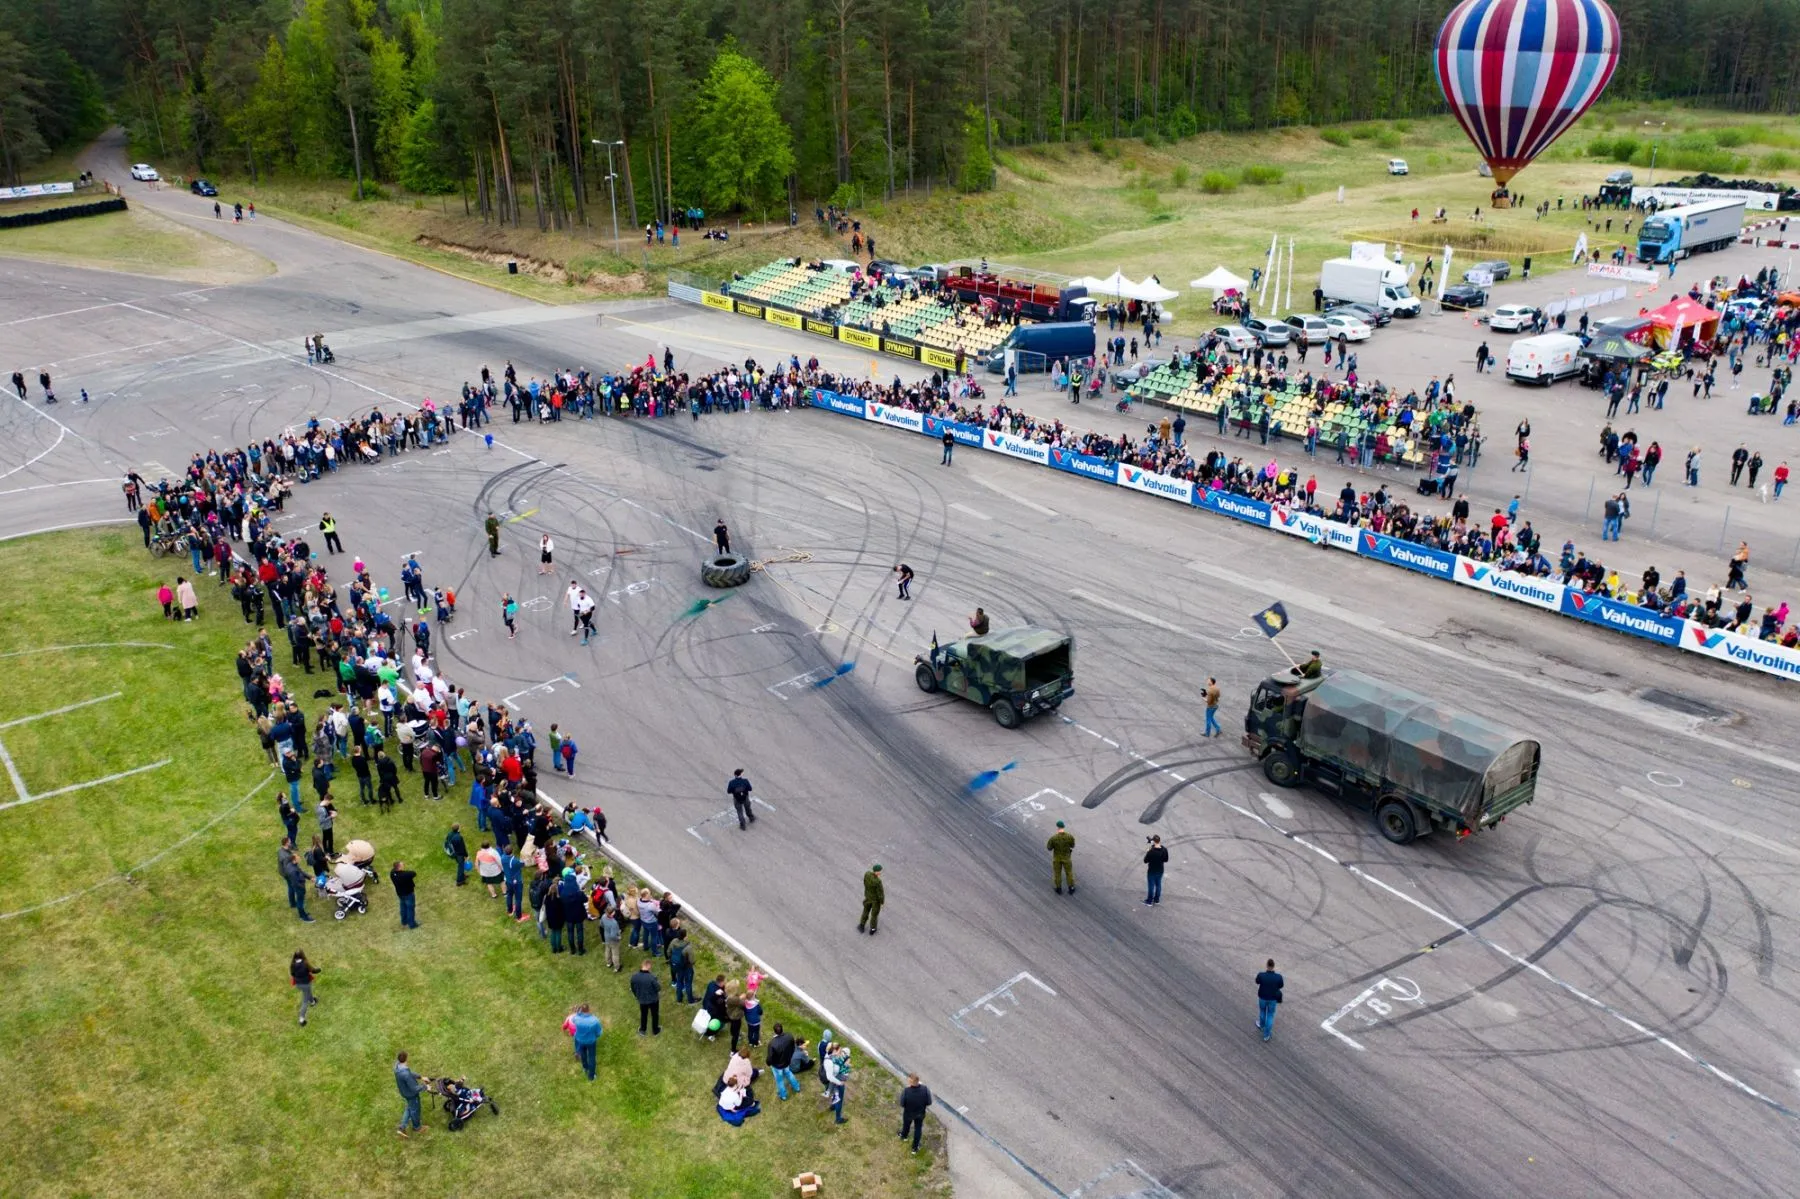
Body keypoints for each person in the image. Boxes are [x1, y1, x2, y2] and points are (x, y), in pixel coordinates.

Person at [899, 1073, 933, 1152]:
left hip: (908, 1113)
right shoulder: (925, 1089)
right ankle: (915, 1148)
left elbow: (902, 1103)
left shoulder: (906, 1091)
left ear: (910, 1082)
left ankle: (904, 1136)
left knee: (906, 1125)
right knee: (918, 1129)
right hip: (920, 1113)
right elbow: (929, 1102)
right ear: (918, 1081)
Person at [766, 1022, 802, 1099]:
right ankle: (797, 1087)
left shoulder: (772, 1044)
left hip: (777, 1066)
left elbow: (769, 1058)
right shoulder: (789, 1036)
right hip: (786, 1062)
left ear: (774, 1031)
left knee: (779, 1080)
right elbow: (793, 1048)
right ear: (782, 1029)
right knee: (789, 1073)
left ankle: (783, 1095)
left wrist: (768, 1063)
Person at [394, 1051, 425, 1138]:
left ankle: (402, 1127)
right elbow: (414, 1088)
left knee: (409, 1108)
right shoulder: (405, 1073)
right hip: (411, 1094)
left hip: (404, 1092)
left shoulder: (398, 1067)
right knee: (415, 1110)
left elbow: (409, 1073)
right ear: (406, 1059)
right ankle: (417, 1127)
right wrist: (425, 1087)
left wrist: (420, 1077)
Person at [568, 1003, 602, 1080]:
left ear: (581, 1010)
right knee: (592, 1057)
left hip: (580, 1040)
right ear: (589, 1010)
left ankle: (585, 1068)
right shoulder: (594, 1020)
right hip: (591, 1041)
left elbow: (573, 1019)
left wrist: (578, 1013)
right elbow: (599, 1033)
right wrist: (595, 1036)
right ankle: (591, 1076)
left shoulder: (576, 1018)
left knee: (583, 1054)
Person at [631, 960, 662, 1035]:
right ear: (648, 966)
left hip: (642, 1000)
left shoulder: (634, 977)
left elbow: (633, 988)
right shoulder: (652, 977)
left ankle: (642, 1030)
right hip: (653, 1000)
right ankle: (655, 1030)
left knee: (643, 1014)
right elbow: (658, 988)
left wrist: (637, 996)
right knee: (654, 1014)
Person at [290, 950, 320, 1026]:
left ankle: (313, 1002)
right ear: (302, 955)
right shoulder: (305, 963)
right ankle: (301, 1019)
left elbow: (292, 973)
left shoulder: (293, 964)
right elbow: (313, 970)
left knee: (307, 992)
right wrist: (319, 969)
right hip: (305, 984)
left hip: (298, 984)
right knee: (305, 1002)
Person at [824, 1045, 851, 1124]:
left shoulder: (833, 1057)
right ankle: (838, 1119)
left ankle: (833, 1106)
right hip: (838, 1082)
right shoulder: (844, 1060)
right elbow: (845, 1071)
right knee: (839, 1099)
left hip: (832, 1081)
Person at [1047, 821, 1076, 894]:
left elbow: (1049, 848)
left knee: (1057, 873)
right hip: (1067, 858)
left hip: (1057, 858)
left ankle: (1058, 888)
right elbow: (1072, 845)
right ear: (1063, 827)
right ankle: (1071, 888)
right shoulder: (1069, 836)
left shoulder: (1053, 838)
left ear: (1057, 827)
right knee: (1069, 873)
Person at [390, 860, 419, 929]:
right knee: (410, 909)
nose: (403, 865)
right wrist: (403, 871)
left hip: (400, 894)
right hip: (408, 894)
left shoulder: (392, 873)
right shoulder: (404, 875)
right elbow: (413, 873)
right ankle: (412, 924)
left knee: (403, 907)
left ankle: (404, 921)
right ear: (399, 868)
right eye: (402, 865)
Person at [858, 863, 884, 934]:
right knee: (874, 914)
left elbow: (864, 883)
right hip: (875, 900)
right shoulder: (878, 882)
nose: (880, 872)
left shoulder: (867, 874)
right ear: (877, 871)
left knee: (866, 910)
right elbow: (880, 893)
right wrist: (882, 902)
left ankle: (861, 925)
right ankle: (873, 929)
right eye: (880, 871)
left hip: (867, 897)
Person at [1143, 835, 1169, 906]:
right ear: (1159, 841)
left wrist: (1148, 851)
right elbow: (1166, 860)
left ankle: (1149, 901)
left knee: (1151, 886)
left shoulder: (1151, 851)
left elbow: (1145, 861)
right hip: (1160, 870)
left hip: (1152, 870)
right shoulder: (1164, 849)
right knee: (1158, 885)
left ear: (1154, 841)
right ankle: (1156, 899)